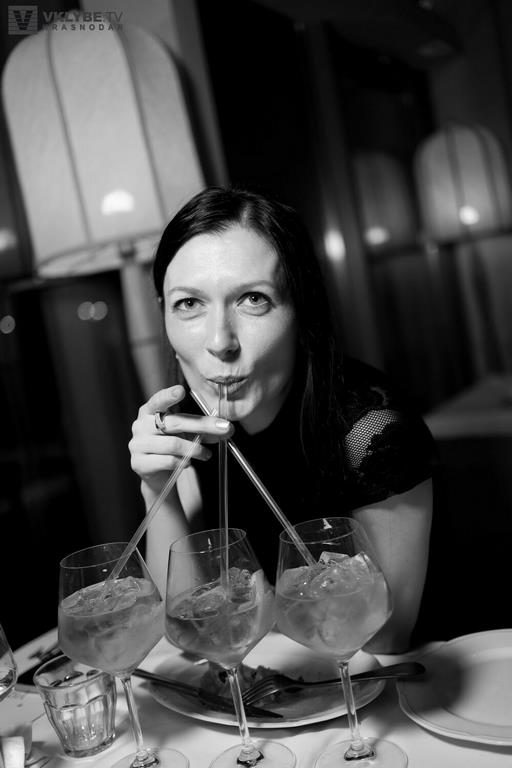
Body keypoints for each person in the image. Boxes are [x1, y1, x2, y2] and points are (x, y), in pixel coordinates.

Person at [129, 186, 436, 653]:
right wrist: (157, 490)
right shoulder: (190, 420)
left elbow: (383, 640)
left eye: (253, 299)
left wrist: (263, 615)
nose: (220, 341)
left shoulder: (373, 431)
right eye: (189, 303)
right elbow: (185, 633)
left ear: (301, 311)